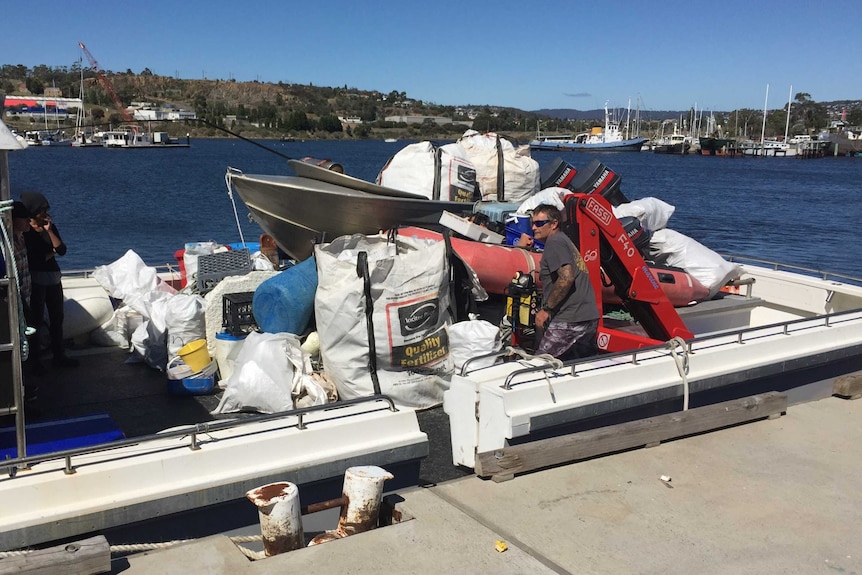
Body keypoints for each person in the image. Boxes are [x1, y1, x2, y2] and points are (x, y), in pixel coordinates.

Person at [529, 204, 600, 360]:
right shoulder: (565, 241)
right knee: (579, 363)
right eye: (532, 223)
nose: (534, 227)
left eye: (539, 223)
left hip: (570, 318)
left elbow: (566, 278)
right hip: (588, 316)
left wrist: (546, 309)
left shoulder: (554, 243)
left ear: (554, 224)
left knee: (540, 364)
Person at [21, 191, 79, 373]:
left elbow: (61, 249)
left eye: (46, 209)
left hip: (53, 279)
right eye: (41, 210)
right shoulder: (27, 232)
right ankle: (35, 360)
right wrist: (50, 253)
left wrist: (49, 231)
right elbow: (34, 258)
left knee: (57, 319)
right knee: (36, 321)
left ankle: (59, 355)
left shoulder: (49, 227)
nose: (45, 213)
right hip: (37, 282)